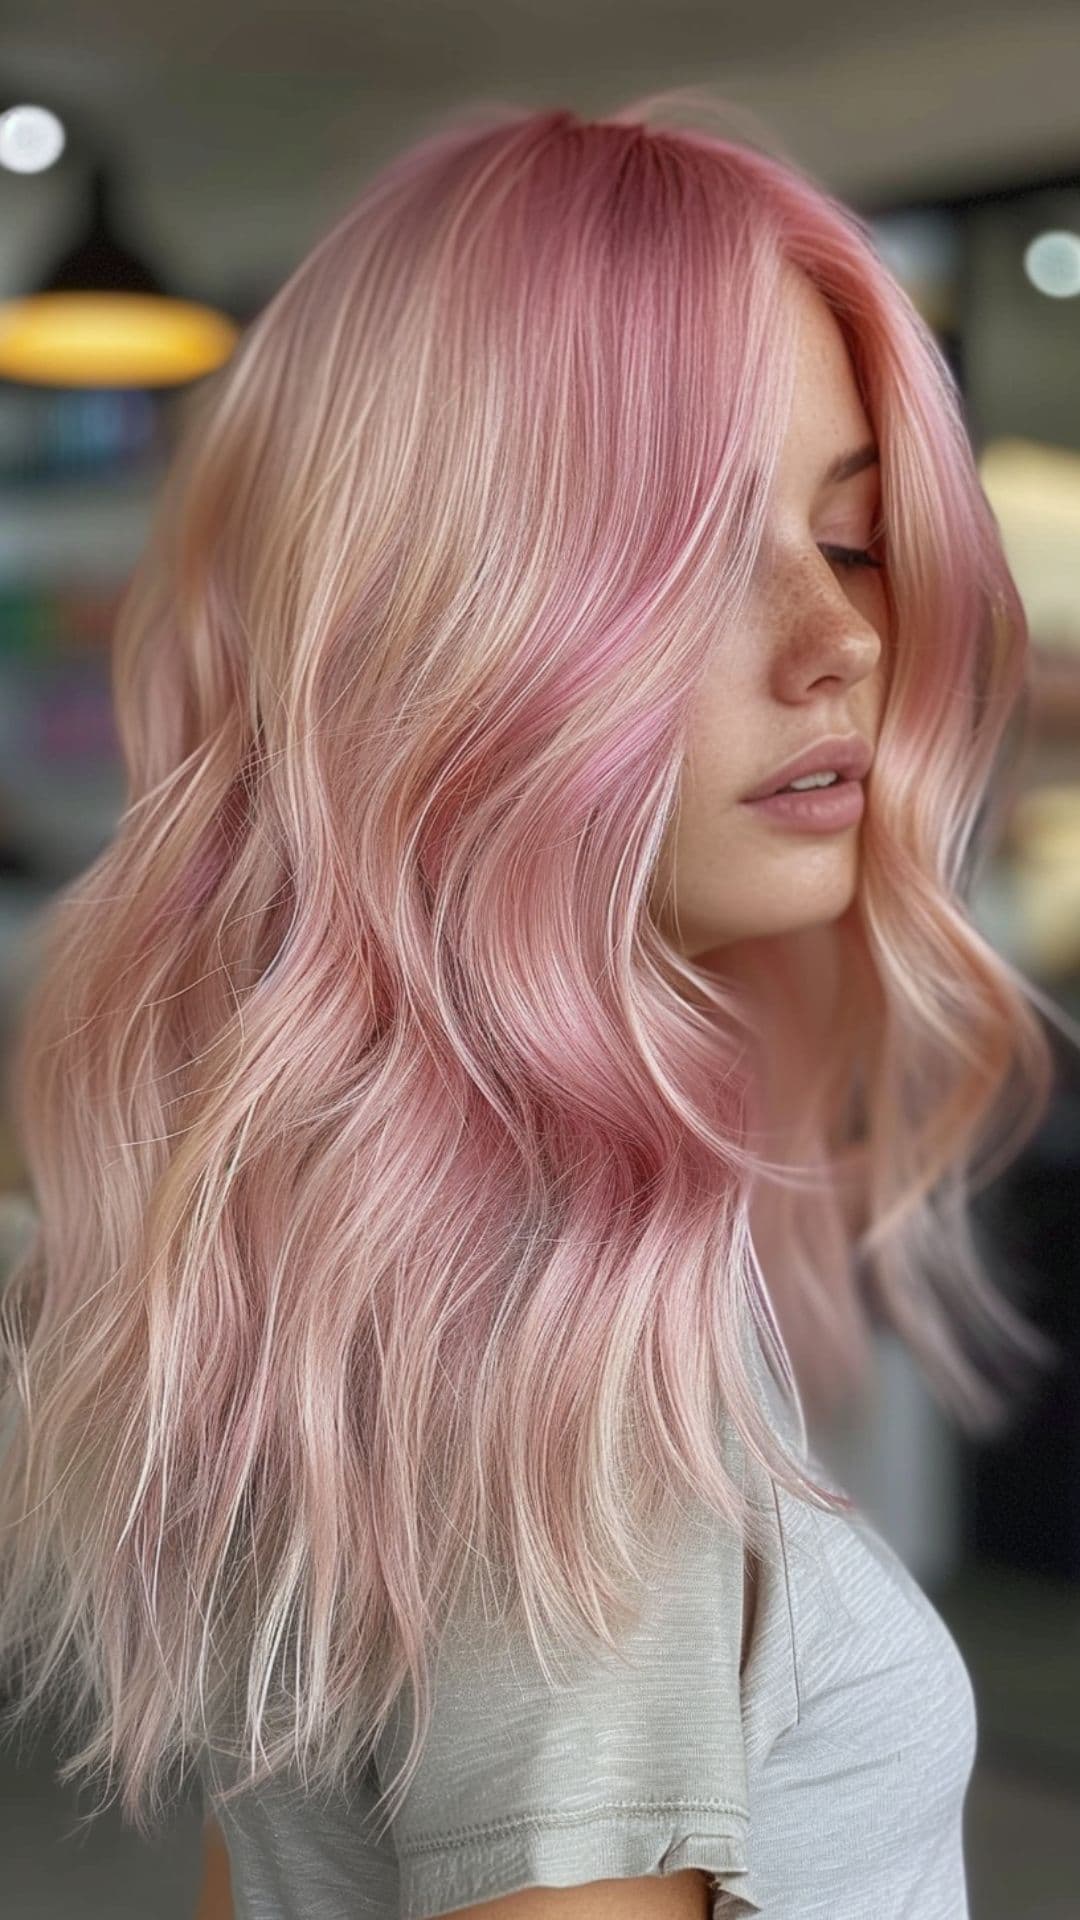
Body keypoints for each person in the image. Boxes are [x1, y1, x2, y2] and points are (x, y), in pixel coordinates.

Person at [0, 90, 1069, 1920]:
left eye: (855, 537)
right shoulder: (557, 1330)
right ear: (447, 618)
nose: (845, 639)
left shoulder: (396, 1243)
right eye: (691, 551)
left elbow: (258, 1873)